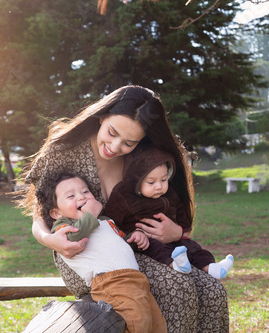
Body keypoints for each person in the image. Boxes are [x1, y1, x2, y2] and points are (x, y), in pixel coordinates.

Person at [20, 85, 229, 332]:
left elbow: (172, 205)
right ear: (102, 115)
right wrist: (50, 240)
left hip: (139, 245)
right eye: (112, 132)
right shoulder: (63, 151)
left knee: (212, 290)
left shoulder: (143, 158)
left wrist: (176, 233)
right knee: (178, 287)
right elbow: (39, 214)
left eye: (129, 142)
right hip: (91, 255)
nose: (115, 146)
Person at [36, 172, 165, 333]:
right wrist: (91, 213)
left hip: (137, 280)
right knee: (136, 323)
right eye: (71, 196)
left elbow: (120, 244)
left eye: (85, 192)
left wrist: (135, 239)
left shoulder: (106, 221)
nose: (81, 197)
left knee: (156, 325)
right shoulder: (63, 226)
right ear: (56, 213)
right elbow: (75, 237)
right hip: (110, 282)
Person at [103, 145, 234, 279]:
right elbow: (112, 220)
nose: (159, 186)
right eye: (151, 182)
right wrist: (133, 234)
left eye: (163, 180)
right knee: (156, 247)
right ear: (136, 181)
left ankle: (211, 267)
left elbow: (181, 213)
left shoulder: (170, 193)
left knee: (192, 247)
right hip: (145, 241)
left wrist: (181, 230)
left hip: (173, 239)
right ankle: (176, 265)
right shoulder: (125, 196)